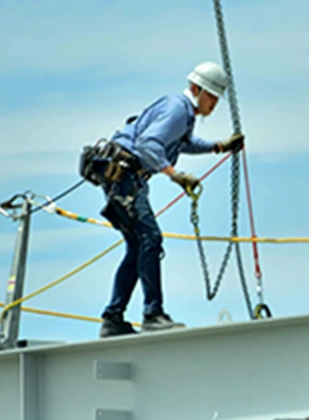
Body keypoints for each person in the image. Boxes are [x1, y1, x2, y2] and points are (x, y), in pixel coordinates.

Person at [98, 61, 244, 337]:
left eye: (216, 98)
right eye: (211, 95)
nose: (213, 103)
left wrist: (219, 146)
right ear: (196, 89)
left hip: (123, 177)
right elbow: (148, 144)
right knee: (150, 239)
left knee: (137, 246)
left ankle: (113, 317)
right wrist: (174, 174)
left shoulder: (183, 114)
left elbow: (182, 142)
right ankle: (153, 314)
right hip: (125, 176)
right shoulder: (178, 109)